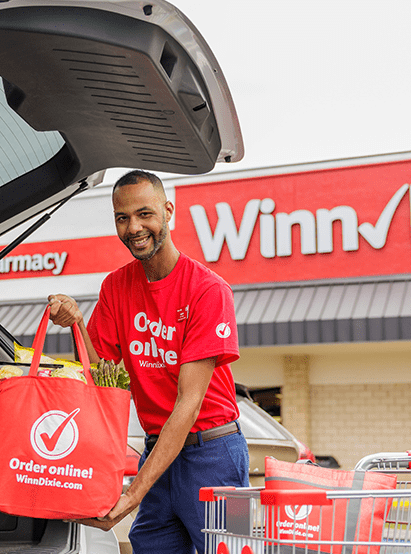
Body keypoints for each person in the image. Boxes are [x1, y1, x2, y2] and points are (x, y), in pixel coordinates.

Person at [48, 170, 248, 554]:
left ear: (168, 211)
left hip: (216, 456)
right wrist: (75, 325)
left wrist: (133, 493)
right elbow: (100, 378)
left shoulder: (208, 290)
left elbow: (188, 406)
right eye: (122, 218)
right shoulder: (115, 287)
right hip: (158, 452)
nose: (134, 227)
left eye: (145, 214)